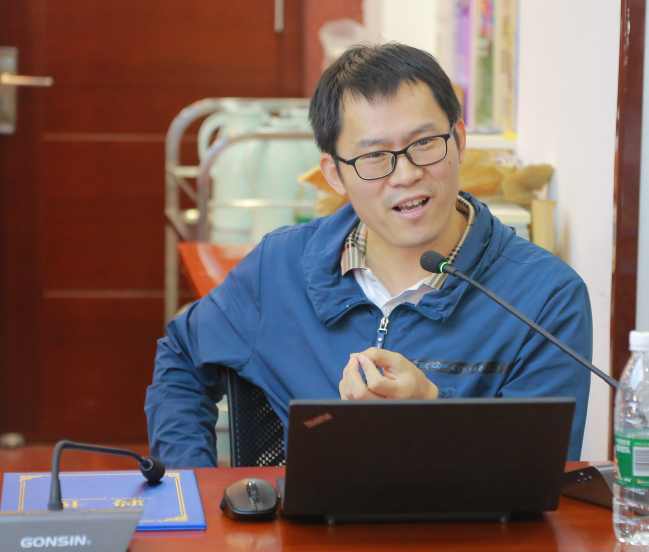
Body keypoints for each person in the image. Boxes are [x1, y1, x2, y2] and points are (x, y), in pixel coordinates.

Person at [145, 43, 592, 468]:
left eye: (424, 143)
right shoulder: (279, 267)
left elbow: (536, 475)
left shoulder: (545, 297)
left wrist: (433, 409)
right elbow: (182, 355)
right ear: (335, 175)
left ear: (458, 139)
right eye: (374, 156)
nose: (406, 174)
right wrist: (191, 484)